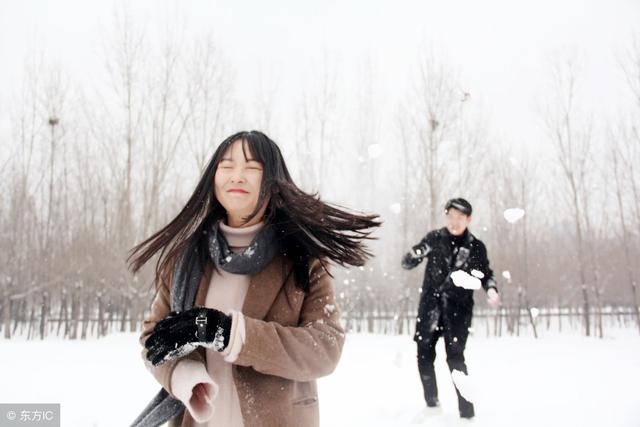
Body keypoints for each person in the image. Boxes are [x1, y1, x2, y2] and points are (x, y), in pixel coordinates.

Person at [128, 130, 380, 427]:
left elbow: (325, 348)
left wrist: (225, 331)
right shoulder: (185, 258)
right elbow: (153, 340)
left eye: (252, 167)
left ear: (273, 181)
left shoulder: (303, 258)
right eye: (226, 165)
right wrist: (186, 375)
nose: (237, 176)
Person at [401, 197, 500, 420]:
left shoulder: (475, 247)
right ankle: (432, 404)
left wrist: (491, 289)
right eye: (451, 216)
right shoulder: (434, 239)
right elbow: (407, 262)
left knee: (455, 360)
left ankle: (467, 414)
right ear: (446, 216)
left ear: (469, 219)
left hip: (458, 312)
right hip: (430, 309)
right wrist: (416, 253)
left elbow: (486, 275)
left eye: (460, 218)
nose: (454, 222)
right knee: (424, 355)